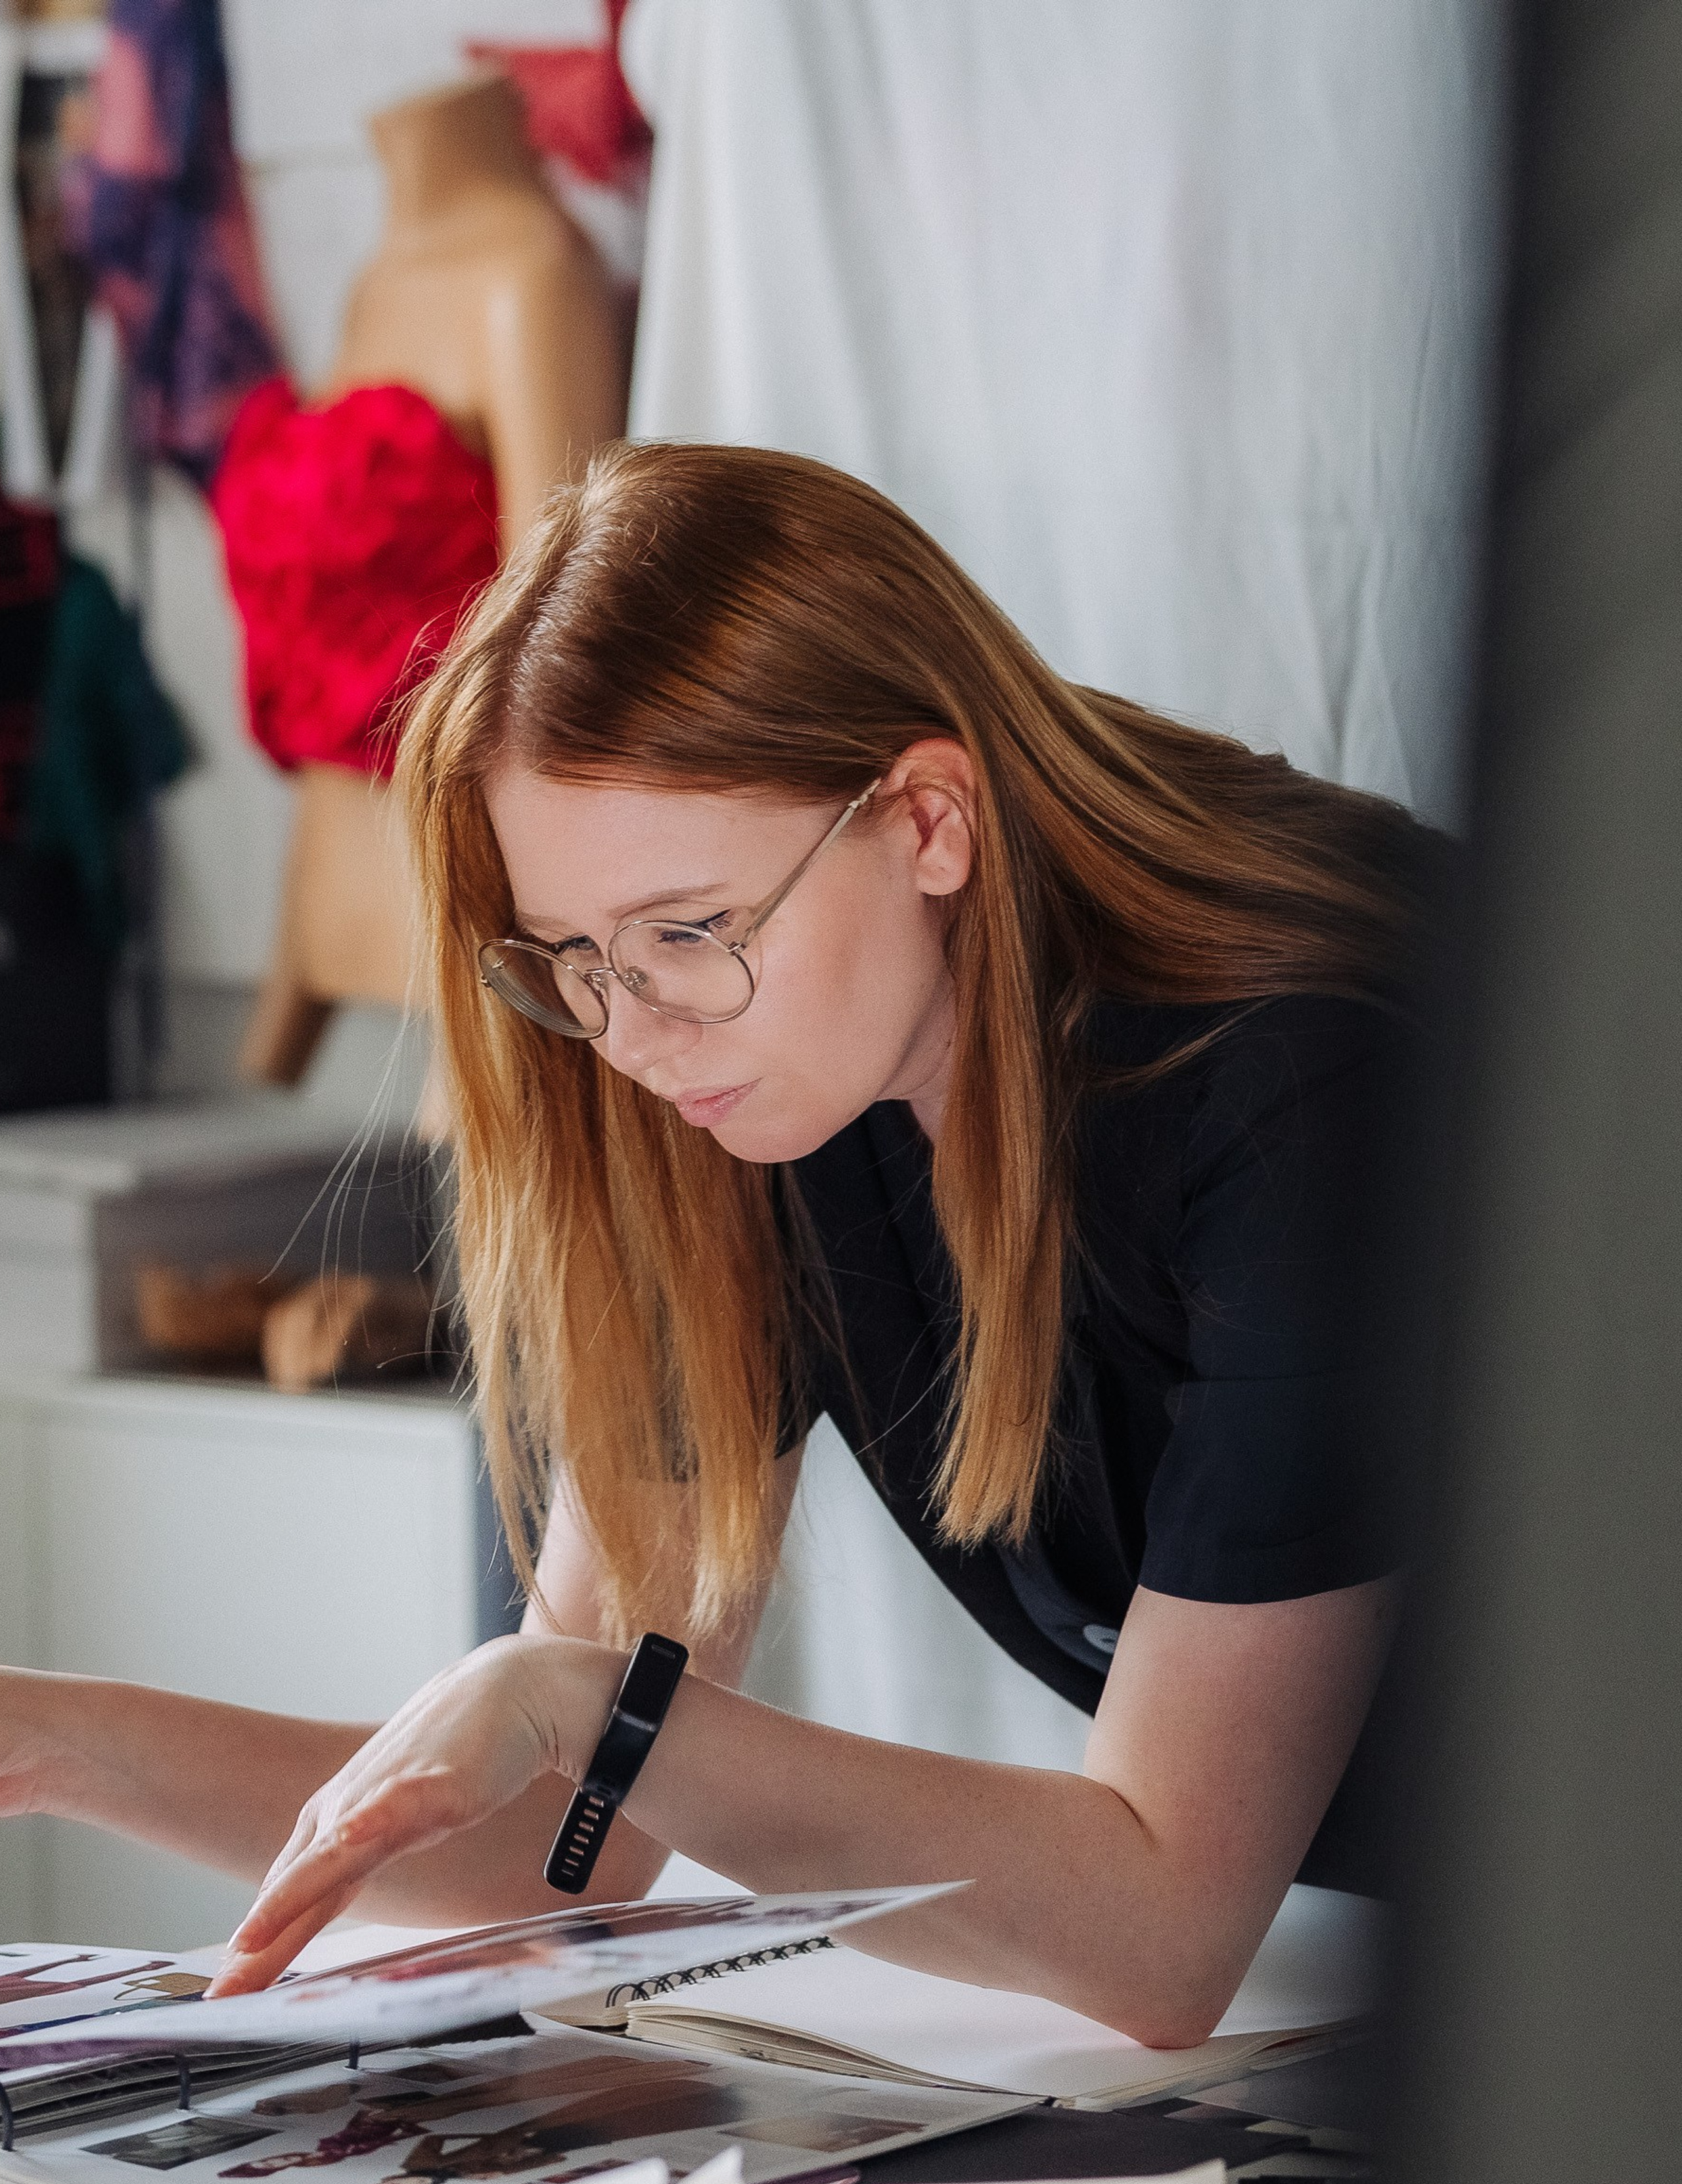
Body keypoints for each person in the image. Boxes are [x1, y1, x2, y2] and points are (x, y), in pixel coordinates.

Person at [0, 445, 1438, 2047]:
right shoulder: (738, 1101)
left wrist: (584, 1706)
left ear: (925, 820)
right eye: (573, 960)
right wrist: (53, 1741)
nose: (631, 1034)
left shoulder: (1299, 1091)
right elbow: (571, 1838)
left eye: (689, 931)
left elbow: (1159, 1930)